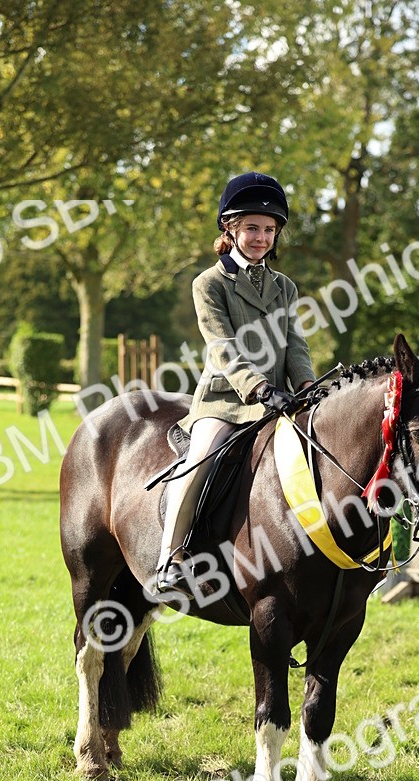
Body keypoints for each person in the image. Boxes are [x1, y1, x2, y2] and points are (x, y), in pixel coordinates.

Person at [154, 171, 315, 595]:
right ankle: (171, 557)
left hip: (281, 399)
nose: (261, 237)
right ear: (230, 228)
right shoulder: (208, 284)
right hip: (226, 400)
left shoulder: (284, 287)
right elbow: (223, 347)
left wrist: (308, 387)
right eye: (252, 229)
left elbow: (295, 344)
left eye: (269, 230)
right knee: (200, 458)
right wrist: (259, 387)